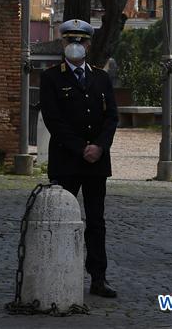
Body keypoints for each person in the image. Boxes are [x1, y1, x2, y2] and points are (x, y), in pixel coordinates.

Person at [39, 18, 119, 298]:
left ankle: (98, 277)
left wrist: (98, 147)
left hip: (97, 163)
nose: (76, 46)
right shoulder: (51, 77)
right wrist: (80, 148)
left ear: (89, 44)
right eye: (70, 41)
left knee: (96, 222)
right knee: (60, 220)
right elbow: (53, 119)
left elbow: (111, 118)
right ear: (63, 44)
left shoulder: (101, 77)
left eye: (81, 41)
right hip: (66, 160)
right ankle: (58, 272)